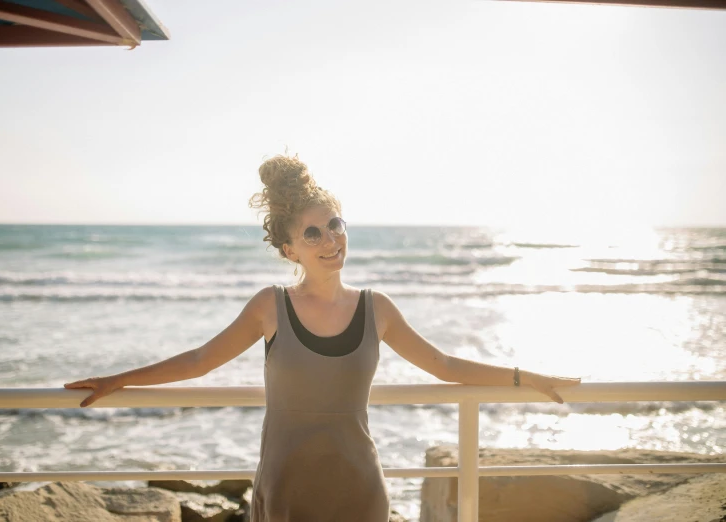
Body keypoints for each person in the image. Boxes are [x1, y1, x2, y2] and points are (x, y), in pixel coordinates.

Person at [64, 153, 581, 521]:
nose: (331, 239)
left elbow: (446, 367)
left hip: (359, 488)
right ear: (290, 249)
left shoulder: (378, 309)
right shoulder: (271, 306)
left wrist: (524, 377)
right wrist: (119, 380)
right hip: (286, 488)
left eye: (335, 224)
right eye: (313, 233)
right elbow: (199, 359)